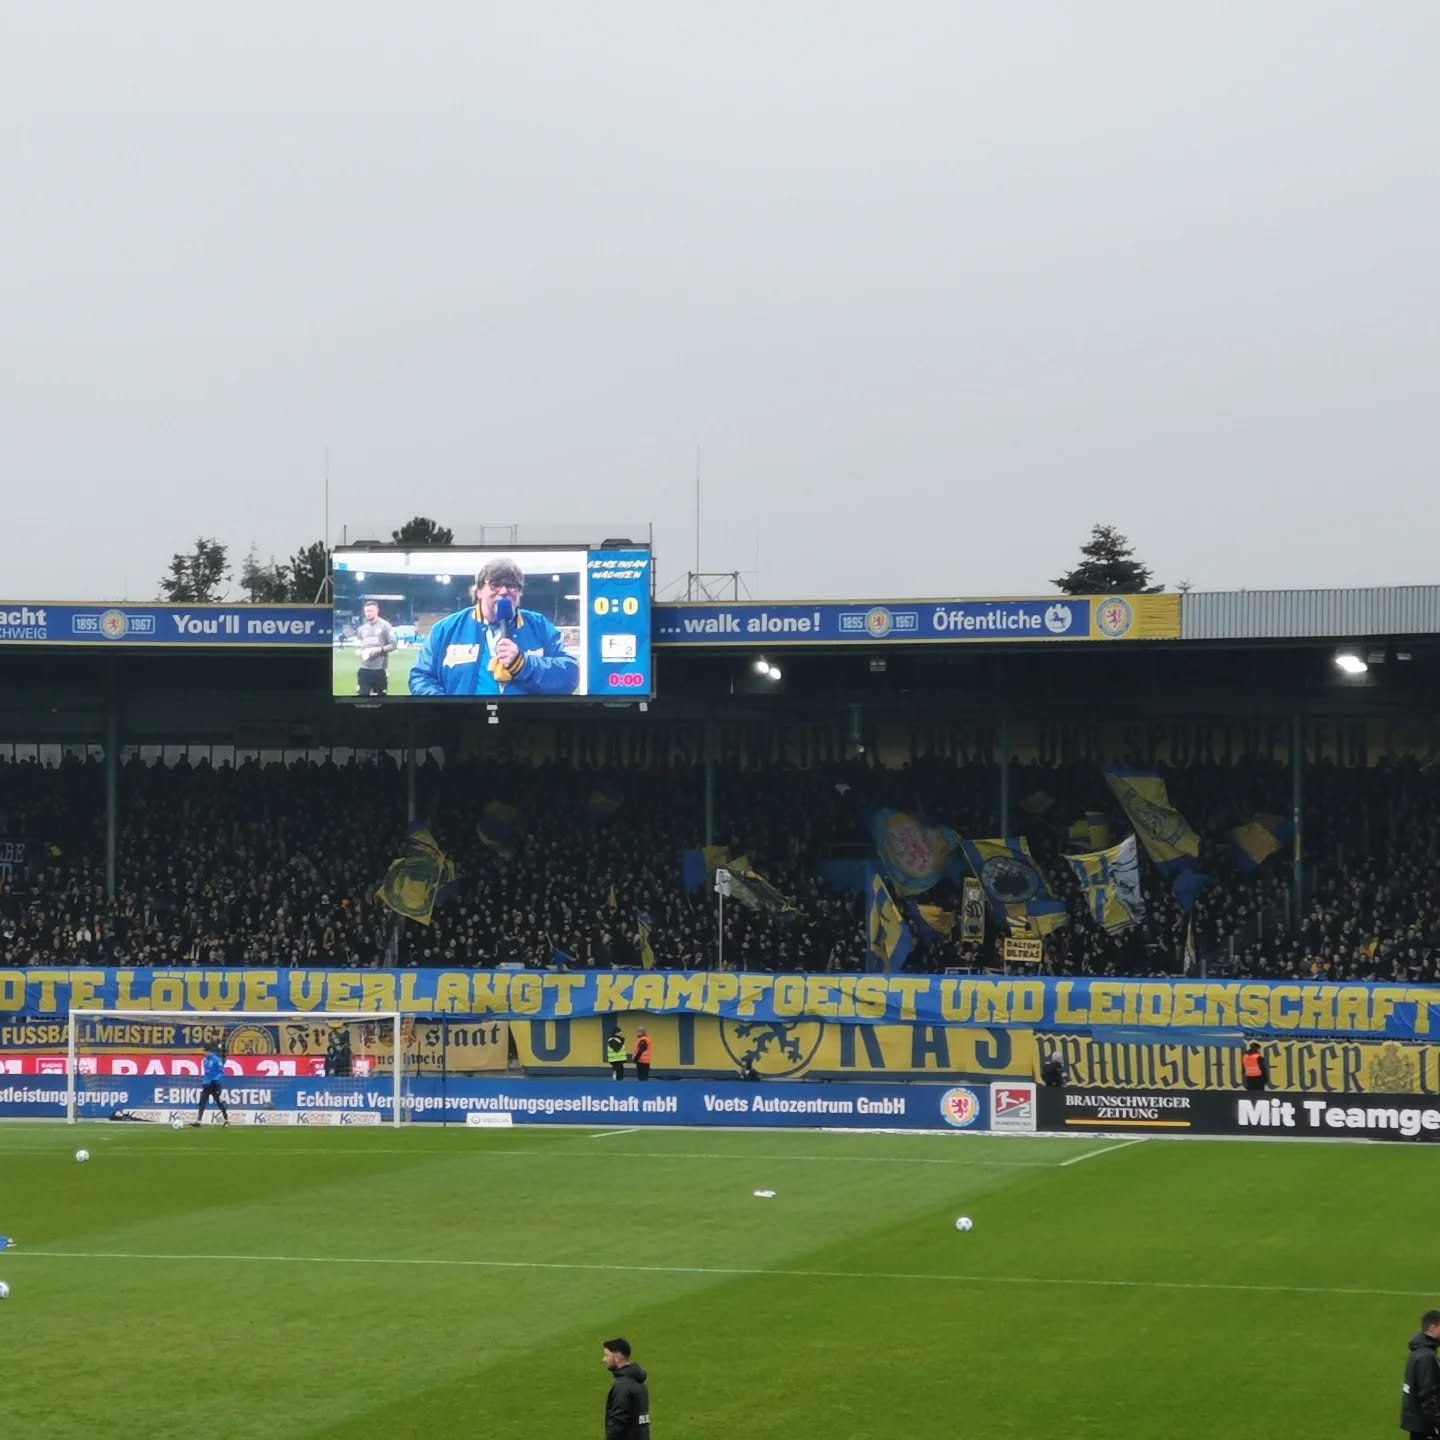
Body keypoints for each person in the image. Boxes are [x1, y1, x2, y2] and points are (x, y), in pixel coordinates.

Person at [408, 558, 580, 697]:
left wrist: (523, 664)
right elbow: (420, 677)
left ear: (519, 593)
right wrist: (447, 709)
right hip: (465, 726)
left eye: (512, 585)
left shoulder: (539, 626)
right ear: (478, 591)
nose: (504, 591)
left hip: (528, 727)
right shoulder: (446, 629)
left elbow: (570, 675)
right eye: (495, 584)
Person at [601, 1338, 650, 1440]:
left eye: (607, 1355)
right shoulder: (640, 1382)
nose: (604, 1360)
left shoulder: (622, 1385)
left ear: (617, 1357)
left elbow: (618, 1421)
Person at [1401, 1310, 1440, 1438]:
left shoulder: (1419, 1350)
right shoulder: (1426, 1357)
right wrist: (1437, 1423)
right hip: (1426, 1426)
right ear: (1434, 1328)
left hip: (1418, 1422)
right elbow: (1427, 1395)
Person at [352, 600, 398, 697]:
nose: (368, 614)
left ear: (377, 611)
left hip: (379, 670)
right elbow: (359, 645)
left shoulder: (385, 626)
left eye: (371, 611)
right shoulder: (362, 629)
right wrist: (359, 651)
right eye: (366, 611)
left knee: (380, 699)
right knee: (361, 698)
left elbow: (394, 645)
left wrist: (379, 650)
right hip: (364, 669)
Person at [194, 1043, 230, 1126]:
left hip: (215, 1085)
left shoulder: (217, 1060)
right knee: (202, 1102)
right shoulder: (205, 1061)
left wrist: (215, 1080)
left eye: (205, 1051)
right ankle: (198, 1121)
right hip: (207, 1085)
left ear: (209, 1051)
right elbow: (207, 1073)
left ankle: (226, 1120)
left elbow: (222, 1072)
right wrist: (204, 1082)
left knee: (219, 1103)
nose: (204, 1053)